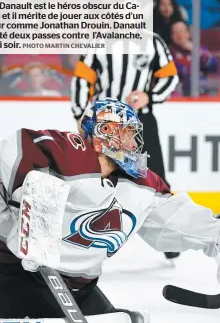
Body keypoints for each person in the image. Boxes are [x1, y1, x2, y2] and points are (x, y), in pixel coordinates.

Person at [0, 99, 220, 321]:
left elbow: (179, 220)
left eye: (135, 134)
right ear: (102, 134)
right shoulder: (68, 152)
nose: (134, 142)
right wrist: (22, 193)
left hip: (78, 287)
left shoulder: (142, 185)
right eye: (126, 132)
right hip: (10, 273)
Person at [71, 29, 180, 260]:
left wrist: (149, 95)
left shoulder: (153, 40)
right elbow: (82, 79)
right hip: (106, 122)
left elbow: (170, 77)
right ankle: (83, 238)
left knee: (155, 178)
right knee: (98, 179)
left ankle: (170, 237)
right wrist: (81, 115)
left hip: (142, 121)